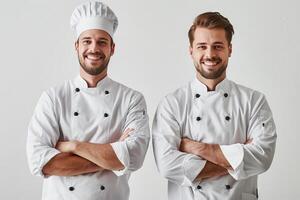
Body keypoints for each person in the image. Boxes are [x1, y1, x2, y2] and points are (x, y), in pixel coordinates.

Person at [26, 1, 150, 200]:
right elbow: (40, 162)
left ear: (112, 48)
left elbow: (134, 157)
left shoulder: (131, 99)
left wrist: (74, 146)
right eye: (87, 41)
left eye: (102, 41)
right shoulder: (53, 97)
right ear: (76, 46)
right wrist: (114, 155)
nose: (94, 48)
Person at [152, 12, 277, 200]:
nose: (210, 54)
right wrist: (236, 158)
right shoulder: (172, 104)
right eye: (202, 46)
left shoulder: (254, 100)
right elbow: (167, 165)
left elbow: (263, 156)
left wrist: (197, 148)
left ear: (230, 49)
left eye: (218, 46)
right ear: (191, 50)